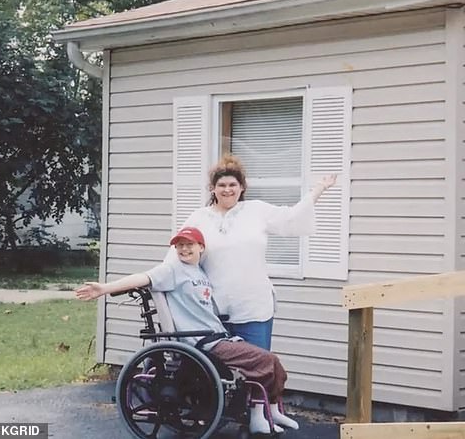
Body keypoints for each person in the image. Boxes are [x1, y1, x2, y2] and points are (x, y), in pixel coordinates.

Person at [75, 227, 299, 434]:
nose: (184, 249)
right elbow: (142, 278)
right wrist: (104, 288)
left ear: (201, 248)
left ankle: (273, 411)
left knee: (274, 364)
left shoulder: (199, 273)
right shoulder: (172, 269)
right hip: (203, 343)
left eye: (189, 244)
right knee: (264, 360)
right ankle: (258, 419)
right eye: (179, 245)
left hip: (218, 337)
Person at [172, 154, 336, 350]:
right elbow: (176, 257)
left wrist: (318, 189)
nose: (227, 190)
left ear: (241, 188)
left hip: (253, 309)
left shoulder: (257, 211)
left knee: (257, 371)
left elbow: (291, 217)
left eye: (232, 185)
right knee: (218, 375)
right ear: (212, 188)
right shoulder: (198, 218)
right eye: (222, 185)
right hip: (213, 312)